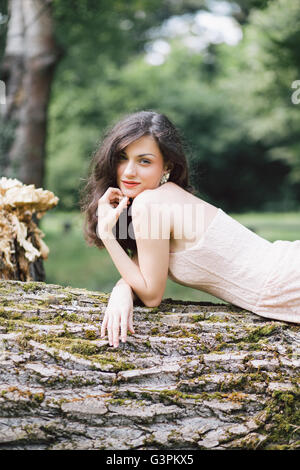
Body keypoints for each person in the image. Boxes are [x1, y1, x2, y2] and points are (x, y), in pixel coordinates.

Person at [80, 110, 300, 348]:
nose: (129, 171)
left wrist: (106, 234)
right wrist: (122, 287)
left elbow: (151, 295)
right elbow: (143, 268)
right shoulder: (161, 199)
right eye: (123, 157)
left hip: (287, 282)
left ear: (166, 167)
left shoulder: (150, 203)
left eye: (144, 161)